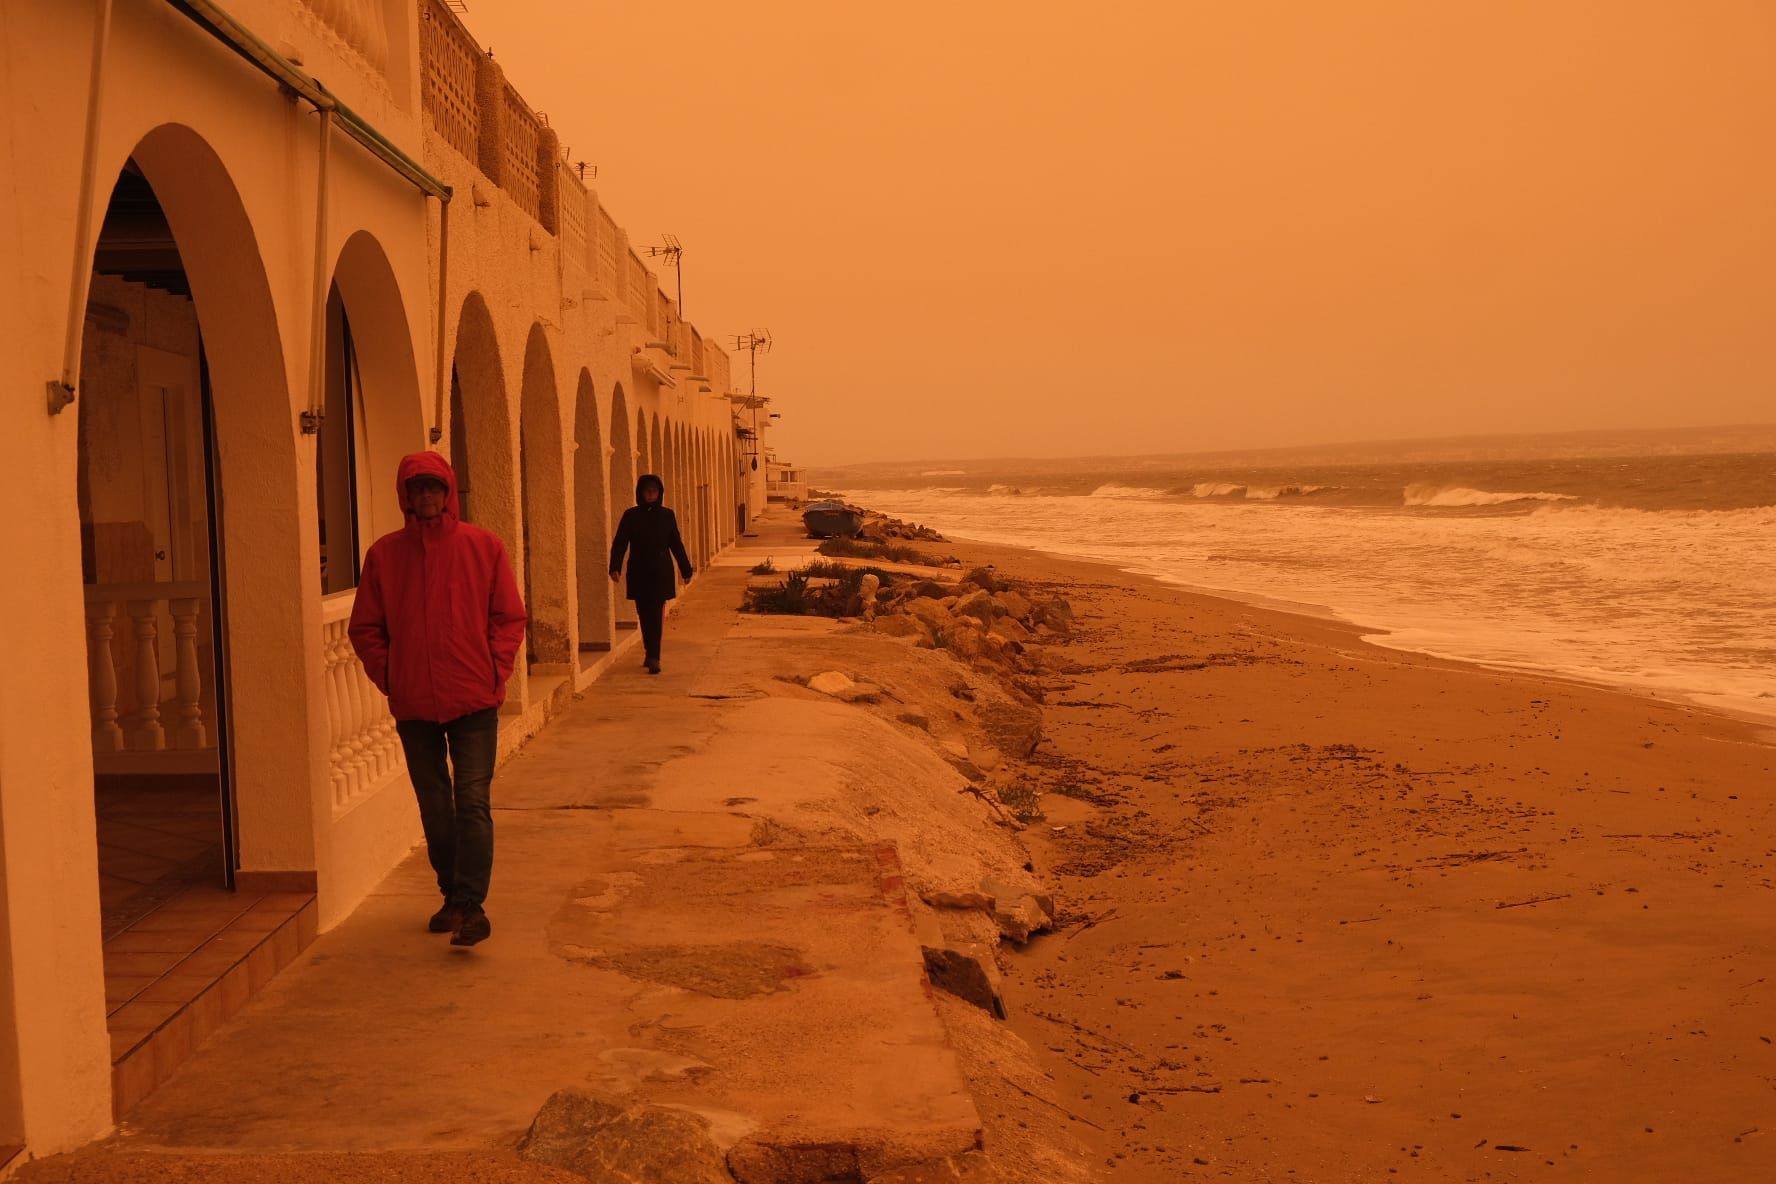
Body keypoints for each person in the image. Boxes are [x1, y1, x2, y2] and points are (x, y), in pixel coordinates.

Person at [348, 453, 527, 947]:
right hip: (415, 705)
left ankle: (471, 906)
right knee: (435, 807)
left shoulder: (483, 547)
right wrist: (393, 676)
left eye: (434, 487)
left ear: (449, 492)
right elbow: (365, 627)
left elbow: (508, 618)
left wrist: (495, 668)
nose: (426, 496)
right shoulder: (384, 556)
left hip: (474, 699)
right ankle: (452, 895)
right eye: (417, 488)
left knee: (472, 802)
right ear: (405, 496)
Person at [609, 473, 693, 674]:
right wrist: (615, 566)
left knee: (656, 614)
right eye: (648, 491)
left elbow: (676, 544)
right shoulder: (631, 516)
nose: (651, 494)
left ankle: (655, 656)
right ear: (641, 493)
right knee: (644, 614)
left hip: (660, 572)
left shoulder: (667, 515)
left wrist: (686, 569)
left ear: (659, 493)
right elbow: (620, 543)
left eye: (654, 491)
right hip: (639, 572)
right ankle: (650, 651)